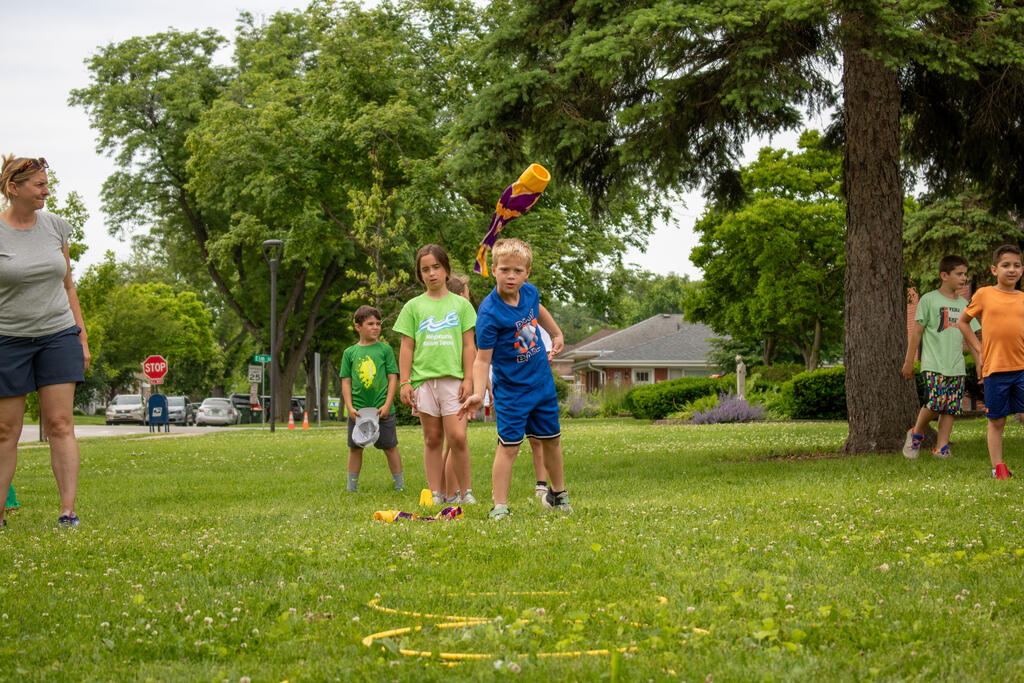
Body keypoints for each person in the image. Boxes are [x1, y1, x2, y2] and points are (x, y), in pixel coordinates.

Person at [0, 155, 89, 528]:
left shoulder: (55, 227)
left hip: (58, 334)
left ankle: (68, 512)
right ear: (13, 188)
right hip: (8, 338)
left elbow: (68, 285)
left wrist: (81, 336)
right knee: (6, 430)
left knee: (60, 422)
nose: (46, 192)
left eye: (47, 184)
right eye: (39, 185)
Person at [458, 238, 571, 520]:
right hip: (511, 392)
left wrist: (556, 333)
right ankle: (499, 507)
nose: (511, 276)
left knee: (552, 440)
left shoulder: (530, 292)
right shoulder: (489, 313)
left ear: (527, 273)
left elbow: (538, 310)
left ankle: (558, 495)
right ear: (494, 270)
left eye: (517, 271)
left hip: (541, 384)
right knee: (509, 446)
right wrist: (479, 393)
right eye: (505, 269)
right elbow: (482, 359)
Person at [394, 245, 477, 505]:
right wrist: (405, 382)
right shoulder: (413, 307)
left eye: (436, 267)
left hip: (453, 381)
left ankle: (465, 493)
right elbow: (407, 347)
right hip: (423, 382)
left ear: (446, 269)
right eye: (425, 269)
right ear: (420, 274)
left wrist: (469, 379)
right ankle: (436, 494)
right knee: (432, 439)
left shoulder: (462, 306)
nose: (431, 273)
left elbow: (469, 346)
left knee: (457, 437)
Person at [901, 255, 980, 459]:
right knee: (935, 403)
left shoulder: (965, 304)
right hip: (933, 363)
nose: (964, 278)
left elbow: (971, 338)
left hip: (956, 366)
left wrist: (980, 364)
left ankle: (941, 447)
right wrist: (909, 362)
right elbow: (917, 332)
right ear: (944, 275)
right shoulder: (929, 299)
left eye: (965, 274)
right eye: (959, 274)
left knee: (951, 407)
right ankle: (916, 433)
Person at [956, 244, 1024, 479]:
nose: (1011, 270)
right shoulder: (984, 294)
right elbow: (963, 322)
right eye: (1006, 265)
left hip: (1022, 369)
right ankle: (999, 468)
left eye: (1016, 265)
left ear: (1022, 270)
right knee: (996, 420)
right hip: (995, 370)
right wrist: (979, 349)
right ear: (995, 270)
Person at [340, 305, 403, 492]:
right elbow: (346, 382)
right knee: (355, 448)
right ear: (358, 327)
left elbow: (393, 378)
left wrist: (387, 404)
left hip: (382, 410)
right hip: (358, 411)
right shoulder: (349, 353)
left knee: (390, 447)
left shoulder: (385, 350)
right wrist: (350, 407)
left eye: (378, 323)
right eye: (370, 324)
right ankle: (351, 488)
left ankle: (400, 486)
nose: (375, 327)